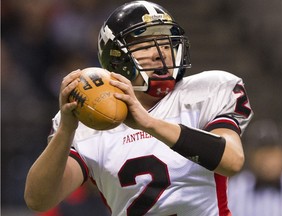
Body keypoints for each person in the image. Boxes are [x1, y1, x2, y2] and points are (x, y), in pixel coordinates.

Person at [24, 1, 253, 215]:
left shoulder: (207, 90)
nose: (159, 52)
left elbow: (232, 161)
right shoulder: (91, 122)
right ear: (116, 59)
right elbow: (38, 201)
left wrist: (149, 123)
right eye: (145, 45)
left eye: (166, 43)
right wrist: (66, 130)